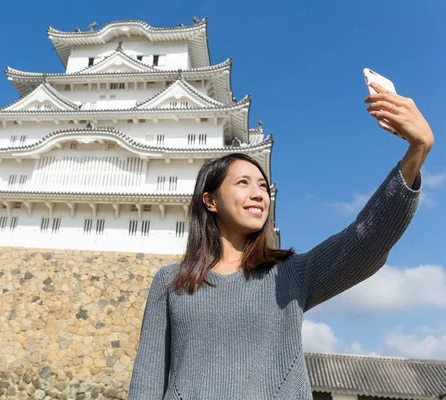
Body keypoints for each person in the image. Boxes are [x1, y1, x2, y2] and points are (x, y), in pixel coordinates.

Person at [128, 81, 434, 400]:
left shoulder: (288, 274)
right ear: (210, 201)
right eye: (243, 183)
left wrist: (417, 152)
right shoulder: (170, 282)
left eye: (263, 185)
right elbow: (147, 382)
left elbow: (364, 241)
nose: (258, 193)